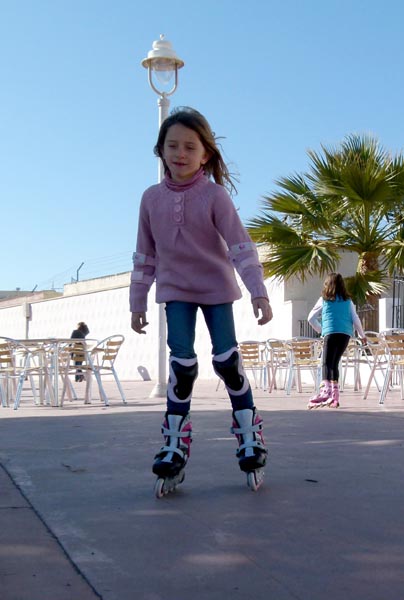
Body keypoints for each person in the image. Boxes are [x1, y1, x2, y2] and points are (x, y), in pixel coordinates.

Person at [130, 106, 273, 487]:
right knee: (182, 367)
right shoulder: (150, 198)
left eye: (190, 147)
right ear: (160, 150)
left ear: (205, 154)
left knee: (227, 362)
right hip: (175, 291)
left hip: (216, 289)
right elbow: (145, 255)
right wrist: (137, 301)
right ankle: (174, 445)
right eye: (172, 145)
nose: (180, 153)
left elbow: (241, 246)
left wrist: (258, 292)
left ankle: (250, 436)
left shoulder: (214, 196)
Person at [307, 272, 366, 409]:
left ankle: (325, 392)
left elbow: (311, 318)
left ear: (327, 284)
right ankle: (334, 396)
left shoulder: (324, 300)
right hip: (345, 335)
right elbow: (355, 319)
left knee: (326, 363)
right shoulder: (348, 301)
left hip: (330, 333)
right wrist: (362, 335)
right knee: (334, 363)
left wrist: (321, 330)